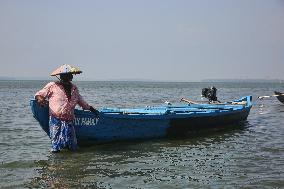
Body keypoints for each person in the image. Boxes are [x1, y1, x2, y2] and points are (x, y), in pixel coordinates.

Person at [35, 64, 99, 152]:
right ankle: (56, 163)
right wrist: (40, 100)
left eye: (71, 74)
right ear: (62, 76)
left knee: (72, 146)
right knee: (56, 145)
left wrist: (92, 109)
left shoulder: (74, 89)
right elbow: (39, 95)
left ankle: (70, 163)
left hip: (69, 121)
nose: (71, 76)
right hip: (55, 120)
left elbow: (81, 102)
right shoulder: (52, 86)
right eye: (69, 74)